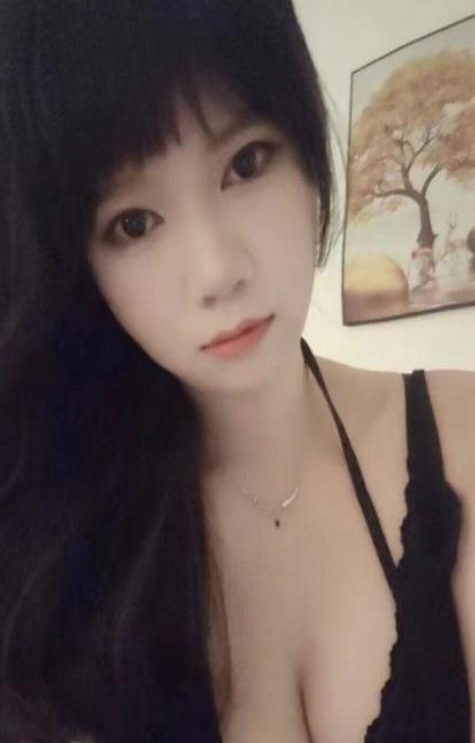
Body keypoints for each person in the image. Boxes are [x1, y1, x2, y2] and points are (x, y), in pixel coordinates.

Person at [0, 1, 473, 742]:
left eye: (245, 163)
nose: (218, 271)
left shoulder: (460, 432)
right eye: (134, 222)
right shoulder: (56, 541)